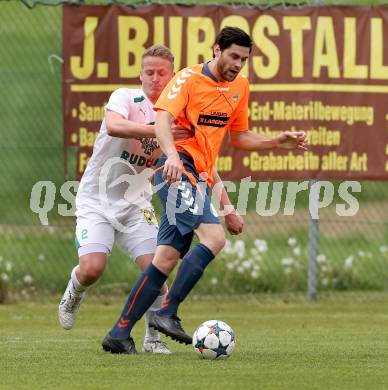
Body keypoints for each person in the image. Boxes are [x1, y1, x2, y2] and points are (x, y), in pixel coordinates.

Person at [101, 27, 307, 353]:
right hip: (177, 170)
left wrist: (275, 141)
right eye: (233, 56)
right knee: (215, 238)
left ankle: (118, 333)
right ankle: (167, 312)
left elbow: (239, 138)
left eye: (244, 58)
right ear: (216, 49)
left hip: (198, 175)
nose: (238, 63)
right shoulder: (187, 79)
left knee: (166, 258)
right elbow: (163, 121)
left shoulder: (240, 86)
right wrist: (170, 155)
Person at [59, 44, 242, 355]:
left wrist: (228, 208)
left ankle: (152, 340)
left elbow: (203, 165)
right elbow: (115, 126)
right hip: (96, 201)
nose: (155, 79)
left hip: (136, 206)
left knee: (157, 269)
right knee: (92, 268)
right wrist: (157, 132)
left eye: (162, 73)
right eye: (149, 72)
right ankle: (74, 292)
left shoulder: (180, 113)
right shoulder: (126, 98)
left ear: (172, 77)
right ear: (140, 75)